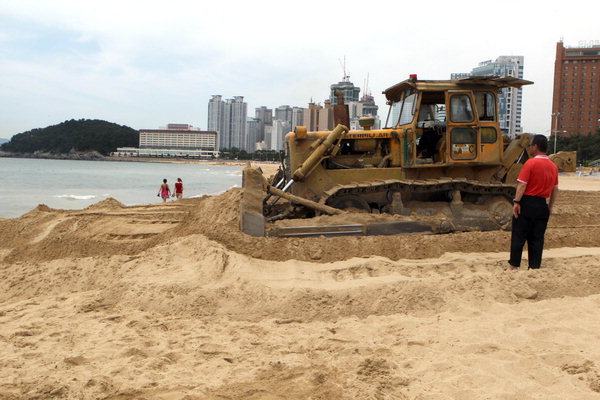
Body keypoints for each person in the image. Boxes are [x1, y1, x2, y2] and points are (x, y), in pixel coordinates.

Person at [507, 134, 559, 271]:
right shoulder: (553, 166)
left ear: (535, 147)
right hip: (542, 205)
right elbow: (555, 189)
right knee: (537, 239)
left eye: (530, 145)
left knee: (519, 235)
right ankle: (534, 266)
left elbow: (522, 185)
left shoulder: (530, 163)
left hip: (527, 203)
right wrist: (550, 206)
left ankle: (514, 265)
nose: (529, 147)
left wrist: (516, 202)